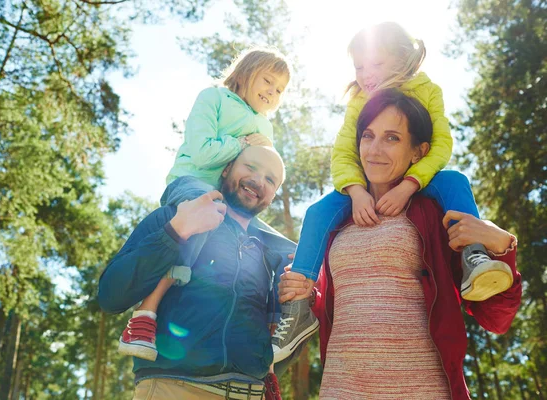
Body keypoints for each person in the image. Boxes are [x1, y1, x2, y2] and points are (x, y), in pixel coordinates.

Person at [271, 22, 513, 363]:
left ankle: (473, 255)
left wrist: (410, 185)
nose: (366, 75)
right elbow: (343, 152)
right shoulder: (359, 100)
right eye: (359, 67)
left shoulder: (427, 90)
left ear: (401, 59)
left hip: (423, 176)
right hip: (358, 188)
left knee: (456, 181)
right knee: (317, 212)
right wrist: (355, 192)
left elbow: (441, 143)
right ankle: (298, 309)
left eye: (375, 65)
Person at [278, 89, 522, 399]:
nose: (375, 149)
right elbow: (338, 305)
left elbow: (496, 318)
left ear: (418, 152)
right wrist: (306, 294)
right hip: (341, 390)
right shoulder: (336, 219)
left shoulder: (435, 212)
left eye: (392, 138)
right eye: (368, 136)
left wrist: (502, 247)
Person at [115, 46, 292, 362]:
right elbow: (202, 153)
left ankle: (278, 326)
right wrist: (240, 144)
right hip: (192, 184)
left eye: (280, 89)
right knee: (204, 216)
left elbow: (261, 168)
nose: (273, 92)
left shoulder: (265, 127)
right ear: (245, 73)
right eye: (268, 80)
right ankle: (145, 312)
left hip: (228, 201)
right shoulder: (214, 99)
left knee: (283, 246)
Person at [98, 145, 297, 400]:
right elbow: (111, 295)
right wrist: (175, 231)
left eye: (270, 179)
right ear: (226, 169)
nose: (259, 180)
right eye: (251, 167)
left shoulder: (271, 257)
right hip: (174, 389)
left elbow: (282, 338)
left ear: (272, 197)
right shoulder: (175, 215)